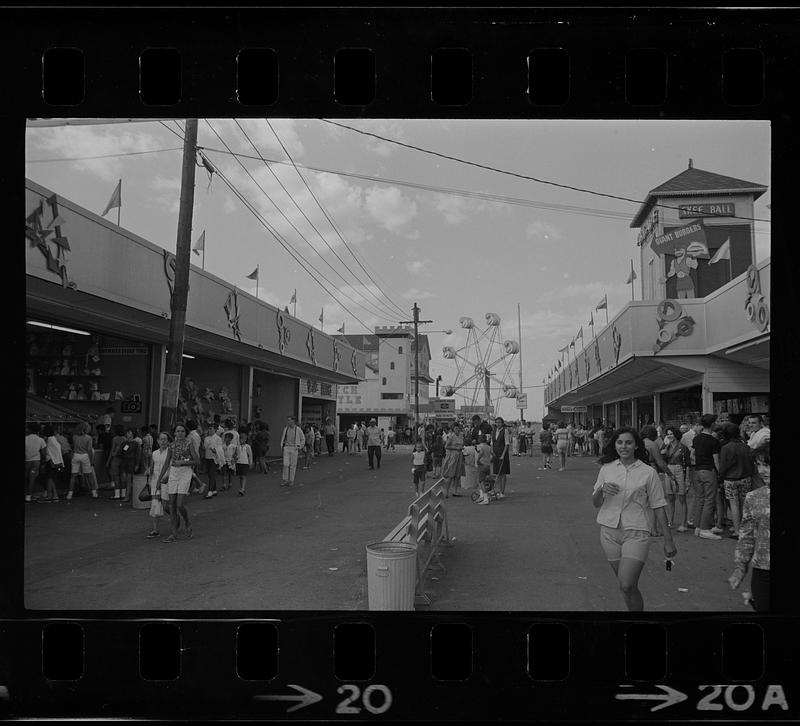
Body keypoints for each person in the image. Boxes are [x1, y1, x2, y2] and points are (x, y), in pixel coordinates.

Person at [592, 427, 677, 611]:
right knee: (626, 586)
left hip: (636, 532)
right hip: (609, 533)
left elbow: (659, 507)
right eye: (620, 442)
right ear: (614, 445)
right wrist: (601, 490)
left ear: (636, 445)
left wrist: (668, 540)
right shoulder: (606, 469)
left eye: (628, 442)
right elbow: (595, 502)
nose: (624, 446)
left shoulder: (648, 472)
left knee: (626, 585)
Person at [728, 443, 770, 611]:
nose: (762, 470)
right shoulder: (754, 497)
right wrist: (740, 568)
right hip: (762, 569)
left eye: (766, 465)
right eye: (759, 465)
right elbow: (746, 536)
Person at [158, 423, 198, 543]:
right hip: (174, 473)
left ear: (185, 433)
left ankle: (187, 522)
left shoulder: (189, 444)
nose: (180, 433)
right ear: (174, 433)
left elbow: (196, 460)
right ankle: (173, 533)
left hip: (185, 473)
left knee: (180, 504)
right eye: (177, 431)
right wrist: (159, 479)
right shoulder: (171, 446)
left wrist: (182, 463)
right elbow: (166, 463)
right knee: (171, 505)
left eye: (182, 431)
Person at [718, 422, 754, 538]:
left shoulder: (725, 448)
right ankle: (745, 529)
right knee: (744, 505)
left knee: (734, 505)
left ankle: (737, 530)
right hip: (745, 478)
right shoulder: (746, 447)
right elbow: (751, 464)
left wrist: (720, 478)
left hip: (730, 479)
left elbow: (723, 466)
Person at [691, 414, 723, 540]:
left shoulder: (696, 438)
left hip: (697, 470)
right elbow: (716, 460)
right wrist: (720, 473)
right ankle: (705, 528)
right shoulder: (714, 441)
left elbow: (692, 455)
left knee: (700, 498)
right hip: (708, 470)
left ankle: (698, 526)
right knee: (710, 499)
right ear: (713, 424)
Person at [640, 425, 677, 532]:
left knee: (643, 501)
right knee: (654, 501)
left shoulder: (638, 443)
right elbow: (660, 462)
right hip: (651, 470)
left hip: (638, 471)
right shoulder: (652, 445)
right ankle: (653, 529)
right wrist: (670, 474)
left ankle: (645, 526)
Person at [661, 426, 690, 532]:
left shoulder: (683, 448)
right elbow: (662, 460)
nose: (669, 436)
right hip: (668, 470)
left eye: (671, 434)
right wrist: (662, 453)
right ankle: (670, 521)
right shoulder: (666, 447)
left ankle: (683, 523)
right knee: (670, 497)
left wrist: (687, 479)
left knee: (682, 498)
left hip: (679, 470)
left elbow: (687, 464)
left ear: (676, 435)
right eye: (668, 434)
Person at [146, 431, 171, 539]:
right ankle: (155, 529)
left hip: (167, 481)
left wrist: (166, 478)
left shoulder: (170, 452)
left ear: (168, 441)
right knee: (155, 504)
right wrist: (149, 475)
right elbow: (152, 467)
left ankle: (176, 518)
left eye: (165, 439)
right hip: (155, 482)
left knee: (166, 506)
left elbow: (171, 468)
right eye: (161, 439)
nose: (163, 441)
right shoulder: (154, 453)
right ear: (157, 441)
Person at [67, 422, 98, 500]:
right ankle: (94, 493)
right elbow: (89, 450)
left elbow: (73, 448)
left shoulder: (74, 437)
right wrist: (91, 461)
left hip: (76, 455)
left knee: (73, 476)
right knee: (89, 475)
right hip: (85, 456)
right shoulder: (88, 438)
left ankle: (69, 494)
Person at [441, 423, 466, 498]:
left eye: (458, 428)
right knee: (450, 474)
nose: (457, 430)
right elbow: (446, 446)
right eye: (456, 428)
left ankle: (455, 491)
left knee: (457, 475)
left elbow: (462, 444)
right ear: (453, 429)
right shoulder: (451, 436)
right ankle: (446, 491)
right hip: (453, 456)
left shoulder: (461, 435)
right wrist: (456, 448)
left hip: (460, 455)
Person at [280, 415, 306, 487]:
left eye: (289, 420)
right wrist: (282, 445)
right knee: (285, 464)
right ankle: (285, 480)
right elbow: (283, 437)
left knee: (293, 465)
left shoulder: (298, 429)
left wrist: (299, 447)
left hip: (294, 448)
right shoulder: (286, 429)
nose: (288, 421)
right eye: (288, 420)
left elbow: (303, 439)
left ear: (293, 421)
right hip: (287, 447)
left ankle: (291, 480)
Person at [118, 427, 142, 503]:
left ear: (133, 434)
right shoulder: (124, 443)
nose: (127, 434)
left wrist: (137, 465)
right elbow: (120, 453)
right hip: (124, 461)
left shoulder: (136, 444)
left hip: (131, 462)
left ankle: (127, 496)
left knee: (128, 480)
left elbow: (138, 455)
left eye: (129, 432)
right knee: (123, 479)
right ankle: (123, 494)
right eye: (127, 432)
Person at [25, 422, 47, 502]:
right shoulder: (41, 440)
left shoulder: (26, 438)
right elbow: (44, 452)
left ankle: (27, 494)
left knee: (26, 478)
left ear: (30, 429)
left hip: (27, 461)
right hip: (36, 462)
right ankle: (28, 496)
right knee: (32, 478)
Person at [42, 425, 64, 502]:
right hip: (57, 462)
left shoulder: (49, 440)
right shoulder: (54, 439)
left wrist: (48, 460)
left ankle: (49, 496)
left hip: (51, 462)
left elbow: (47, 452)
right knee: (51, 479)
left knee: (49, 479)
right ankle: (55, 495)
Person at [491, 417, 511, 498]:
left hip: (502, 454)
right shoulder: (493, 431)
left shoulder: (505, 431)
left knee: (503, 473)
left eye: (499, 422)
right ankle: (498, 490)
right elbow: (492, 443)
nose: (498, 424)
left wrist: (503, 455)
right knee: (497, 473)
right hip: (495, 453)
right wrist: (492, 452)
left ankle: (502, 492)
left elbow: (507, 444)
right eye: (497, 422)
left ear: (502, 423)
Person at [203, 425, 224, 499]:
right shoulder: (206, 438)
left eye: (211, 429)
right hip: (207, 457)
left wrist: (215, 450)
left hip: (214, 458)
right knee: (209, 474)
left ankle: (210, 491)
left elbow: (220, 449)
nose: (210, 430)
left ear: (215, 430)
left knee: (212, 474)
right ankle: (214, 489)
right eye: (209, 429)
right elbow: (204, 447)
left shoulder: (218, 438)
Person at [106, 424, 126, 500]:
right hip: (123, 459)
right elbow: (126, 449)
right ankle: (123, 494)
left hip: (116, 459)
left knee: (116, 477)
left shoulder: (115, 439)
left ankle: (117, 495)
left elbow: (112, 450)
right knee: (123, 476)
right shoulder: (125, 438)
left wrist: (108, 461)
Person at [475, 434, 493, 505]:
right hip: (488, 466)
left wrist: (478, 460)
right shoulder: (489, 447)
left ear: (480, 440)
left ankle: (485, 498)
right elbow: (493, 454)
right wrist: (490, 460)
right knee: (484, 481)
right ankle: (482, 496)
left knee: (481, 482)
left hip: (482, 466)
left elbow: (481, 453)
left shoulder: (481, 447)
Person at [236, 431, 253, 496]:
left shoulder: (247, 446)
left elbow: (250, 455)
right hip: (239, 462)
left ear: (245, 440)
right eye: (240, 439)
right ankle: (241, 487)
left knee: (244, 476)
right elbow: (236, 454)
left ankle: (243, 488)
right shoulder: (238, 446)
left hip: (245, 463)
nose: (240, 440)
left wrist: (250, 462)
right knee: (240, 476)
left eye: (242, 439)